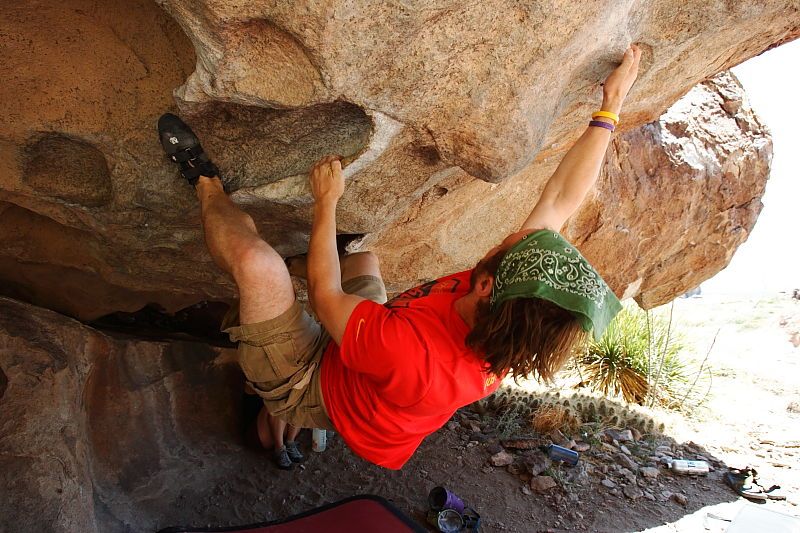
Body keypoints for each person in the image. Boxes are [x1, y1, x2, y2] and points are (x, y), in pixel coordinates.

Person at [157, 45, 641, 470]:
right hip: (369, 359)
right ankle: (287, 293)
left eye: (513, 242)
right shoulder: (511, 315)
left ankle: (204, 183)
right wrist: (610, 108)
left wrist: (326, 202)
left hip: (311, 382)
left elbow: (327, 299)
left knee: (257, 266)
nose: (516, 235)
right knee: (362, 264)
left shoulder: (419, 359)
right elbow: (560, 200)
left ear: (488, 285)